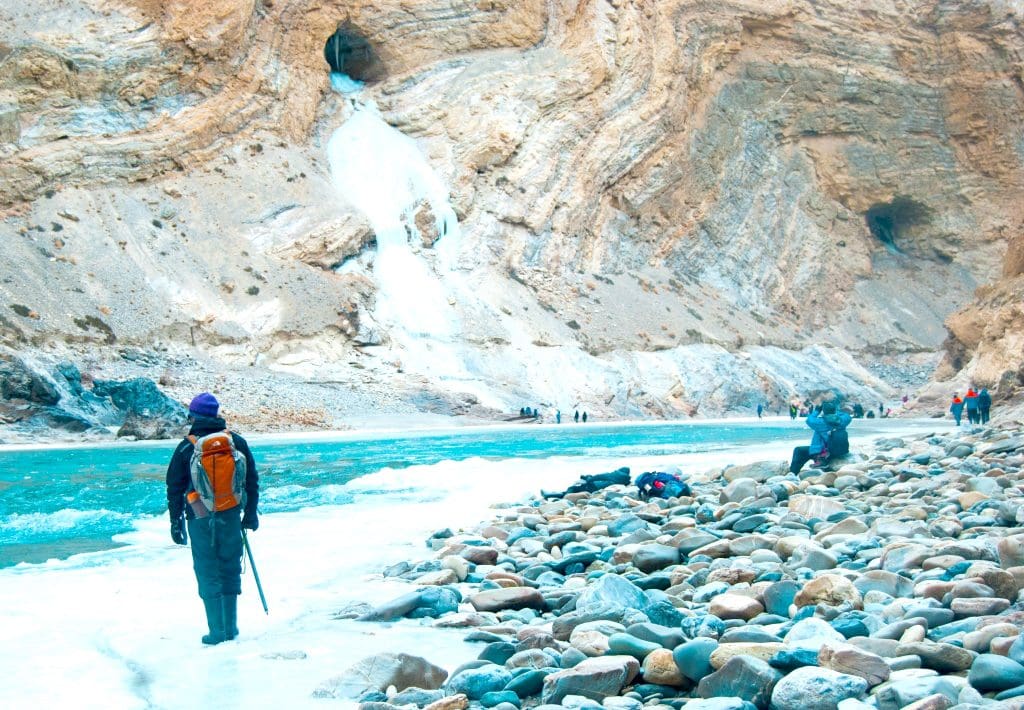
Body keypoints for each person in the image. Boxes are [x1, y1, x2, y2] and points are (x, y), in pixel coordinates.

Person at [167, 393, 259, 645]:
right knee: (229, 566)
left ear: (193, 416)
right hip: (231, 515)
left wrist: (175, 523)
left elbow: (173, 488)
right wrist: (250, 514)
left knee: (208, 570)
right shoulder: (235, 442)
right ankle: (231, 627)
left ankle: (217, 632)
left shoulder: (187, 446)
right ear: (216, 414)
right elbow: (251, 480)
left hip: (199, 517)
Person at [788, 400, 851, 474]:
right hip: (839, 451)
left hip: (825, 452)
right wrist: (835, 411)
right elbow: (847, 416)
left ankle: (793, 473)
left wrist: (817, 410)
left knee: (799, 451)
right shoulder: (842, 421)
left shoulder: (820, 423)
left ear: (824, 411)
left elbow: (809, 419)